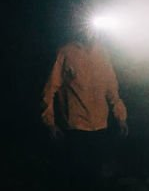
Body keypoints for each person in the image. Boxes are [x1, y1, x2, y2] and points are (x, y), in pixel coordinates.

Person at [40, 23, 129, 180]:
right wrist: (50, 123)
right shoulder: (66, 53)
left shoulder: (102, 53)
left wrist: (120, 117)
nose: (89, 32)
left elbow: (112, 88)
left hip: (100, 125)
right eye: (86, 28)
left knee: (99, 175)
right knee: (79, 175)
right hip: (76, 127)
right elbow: (50, 89)